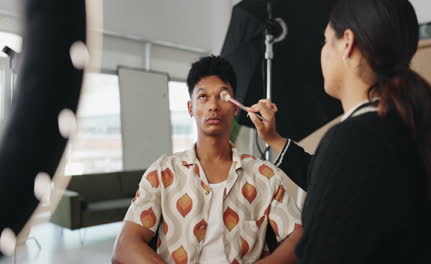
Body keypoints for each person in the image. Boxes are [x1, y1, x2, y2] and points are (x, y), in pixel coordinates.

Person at [248, 0, 431, 263]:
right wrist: (275, 140)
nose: (322, 52)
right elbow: (339, 180)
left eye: (326, 40)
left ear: (347, 43)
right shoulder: (410, 130)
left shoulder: (353, 141)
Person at [112, 56, 303, 264]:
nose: (213, 105)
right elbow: (124, 246)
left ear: (236, 108)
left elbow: (298, 237)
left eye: (223, 96)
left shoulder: (265, 176)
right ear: (190, 108)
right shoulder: (162, 172)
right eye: (203, 97)